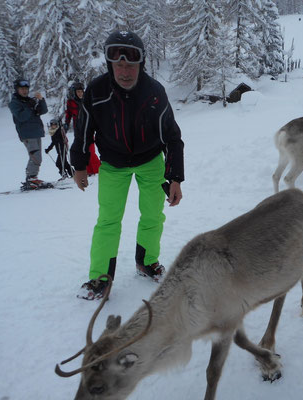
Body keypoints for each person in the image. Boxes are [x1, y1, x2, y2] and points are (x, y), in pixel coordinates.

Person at [71, 30, 184, 300]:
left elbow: (172, 137)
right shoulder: (96, 91)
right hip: (113, 165)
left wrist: (176, 177)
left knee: (153, 216)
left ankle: (146, 262)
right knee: (108, 221)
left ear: (140, 64)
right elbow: (83, 131)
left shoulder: (155, 92)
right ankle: (101, 278)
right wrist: (79, 165)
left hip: (150, 162)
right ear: (110, 64)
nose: (124, 70)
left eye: (130, 64)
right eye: (118, 64)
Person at [8, 78, 48, 189]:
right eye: (22, 89)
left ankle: (32, 177)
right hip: (27, 134)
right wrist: (30, 107)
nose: (24, 91)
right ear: (17, 89)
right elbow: (21, 117)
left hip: (36, 132)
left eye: (26, 88)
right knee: (36, 157)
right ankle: (31, 178)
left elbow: (43, 111)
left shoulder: (29, 101)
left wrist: (41, 100)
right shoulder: (14, 103)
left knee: (37, 156)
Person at [65, 82, 101, 175]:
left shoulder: (87, 101)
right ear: (74, 92)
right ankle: (88, 170)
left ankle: (98, 169)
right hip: (78, 131)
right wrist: (66, 124)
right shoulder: (71, 102)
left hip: (88, 130)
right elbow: (68, 114)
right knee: (82, 151)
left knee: (91, 151)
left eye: (81, 91)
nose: (80, 93)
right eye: (78, 92)